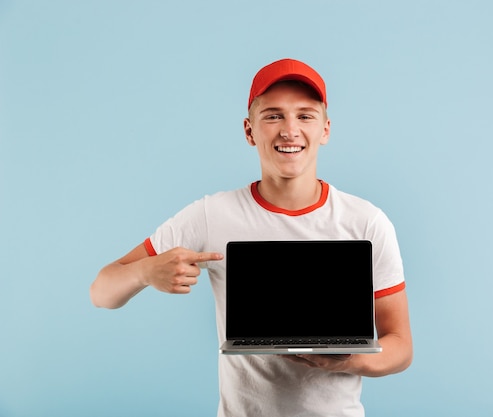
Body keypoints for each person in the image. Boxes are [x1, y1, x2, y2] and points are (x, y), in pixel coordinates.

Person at [90, 58, 413, 417]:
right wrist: (145, 272)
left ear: (325, 130)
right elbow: (101, 292)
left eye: (305, 116)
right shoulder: (211, 215)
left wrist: (349, 362)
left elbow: (400, 346)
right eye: (273, 116)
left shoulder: (366, 222)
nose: (289, 130)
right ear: (249, 131)